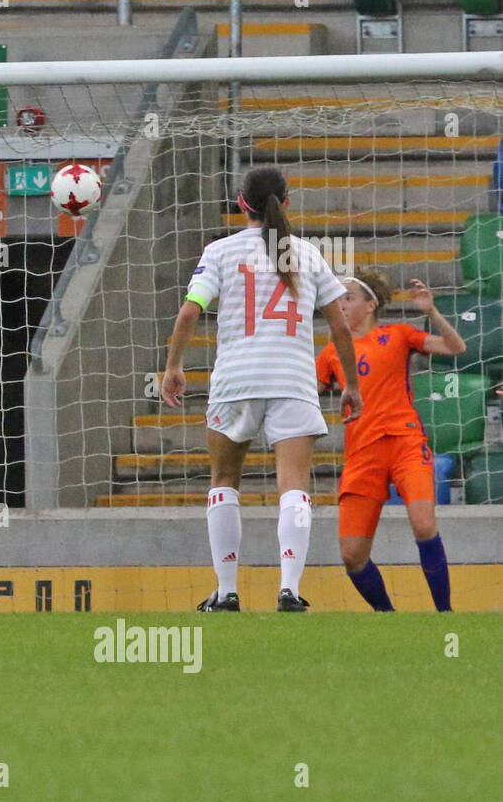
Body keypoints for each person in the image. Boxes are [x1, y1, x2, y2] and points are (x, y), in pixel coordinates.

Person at [162, 165, 363, 612]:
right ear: (285, 203)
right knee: (293, 485)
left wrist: (173, 366)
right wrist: (350, 384)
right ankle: (289, 590)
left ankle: (227, 591)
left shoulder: (219, 251)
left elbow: (189, 314)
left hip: (236, 381)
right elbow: (340, 328)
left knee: (224, 481)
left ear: (241, 203)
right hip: (292, 380)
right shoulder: (307, 255)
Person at [316, 271, 464, 611]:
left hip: (405, 441)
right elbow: (310, 393)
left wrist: (431, 312)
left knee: (424, 523)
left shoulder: (398, 335)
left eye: (348, 297)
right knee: (351, 555)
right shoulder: (330, 353)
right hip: (361, 453)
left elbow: (456, 347)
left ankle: (446, 614)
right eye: (338, 299)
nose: (341, 304)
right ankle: (388, 618)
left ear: (370, 304)